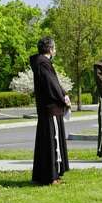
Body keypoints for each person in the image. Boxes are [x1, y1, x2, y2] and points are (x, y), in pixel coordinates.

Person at [30, 36, 71, 185]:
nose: (55, 50)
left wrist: (63, 93)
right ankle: (51, 176)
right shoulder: (43, 63)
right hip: (51, 108)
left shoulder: (42, 63)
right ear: (50, 49)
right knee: (53, 142)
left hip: (48, 109)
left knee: (47, 141)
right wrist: (63, 98)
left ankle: (45, 175)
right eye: (54, 48)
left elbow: (54, 83)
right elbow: (51, 85)